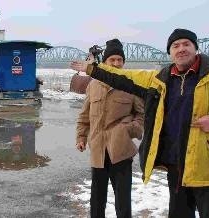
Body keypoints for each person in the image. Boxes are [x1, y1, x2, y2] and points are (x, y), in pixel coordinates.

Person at [70, 29, 209, 217]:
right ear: (170, 52)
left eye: (186, 44)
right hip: (174, 163)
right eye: (176, 46)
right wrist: (92, 69)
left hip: (206, 165)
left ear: (196, 48)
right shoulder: (160, 79)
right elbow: (123, 78)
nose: (181, 49)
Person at [75, 39, 144, 218]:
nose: (116, 63)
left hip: (121, 150)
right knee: (97, 200)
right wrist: (81, 137)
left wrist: (130, 130)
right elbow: (84, 116)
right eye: (112, 59)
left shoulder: (131, 85)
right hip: (98, 149)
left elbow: (142, 115)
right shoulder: (93, 85)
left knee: (123, 202)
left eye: (119, 60)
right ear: (105, 62)